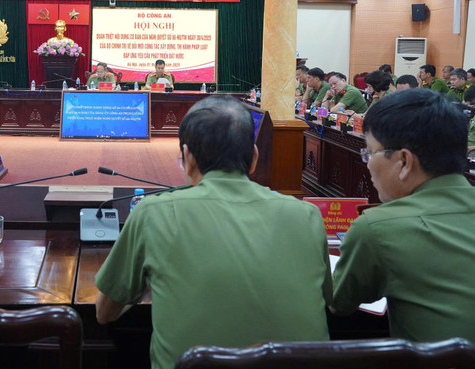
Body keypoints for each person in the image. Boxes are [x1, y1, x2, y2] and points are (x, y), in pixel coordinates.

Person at [96, 95, 331, 369]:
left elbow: (104, 312)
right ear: (253, 158)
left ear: (187, 158)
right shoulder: (307, 215)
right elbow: (328, 299)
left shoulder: (153, 212)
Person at [330, 88, 475, 369]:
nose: (367, 164)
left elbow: (337, 305)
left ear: (404, 161)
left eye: (370, 152)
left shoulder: (378, 228)